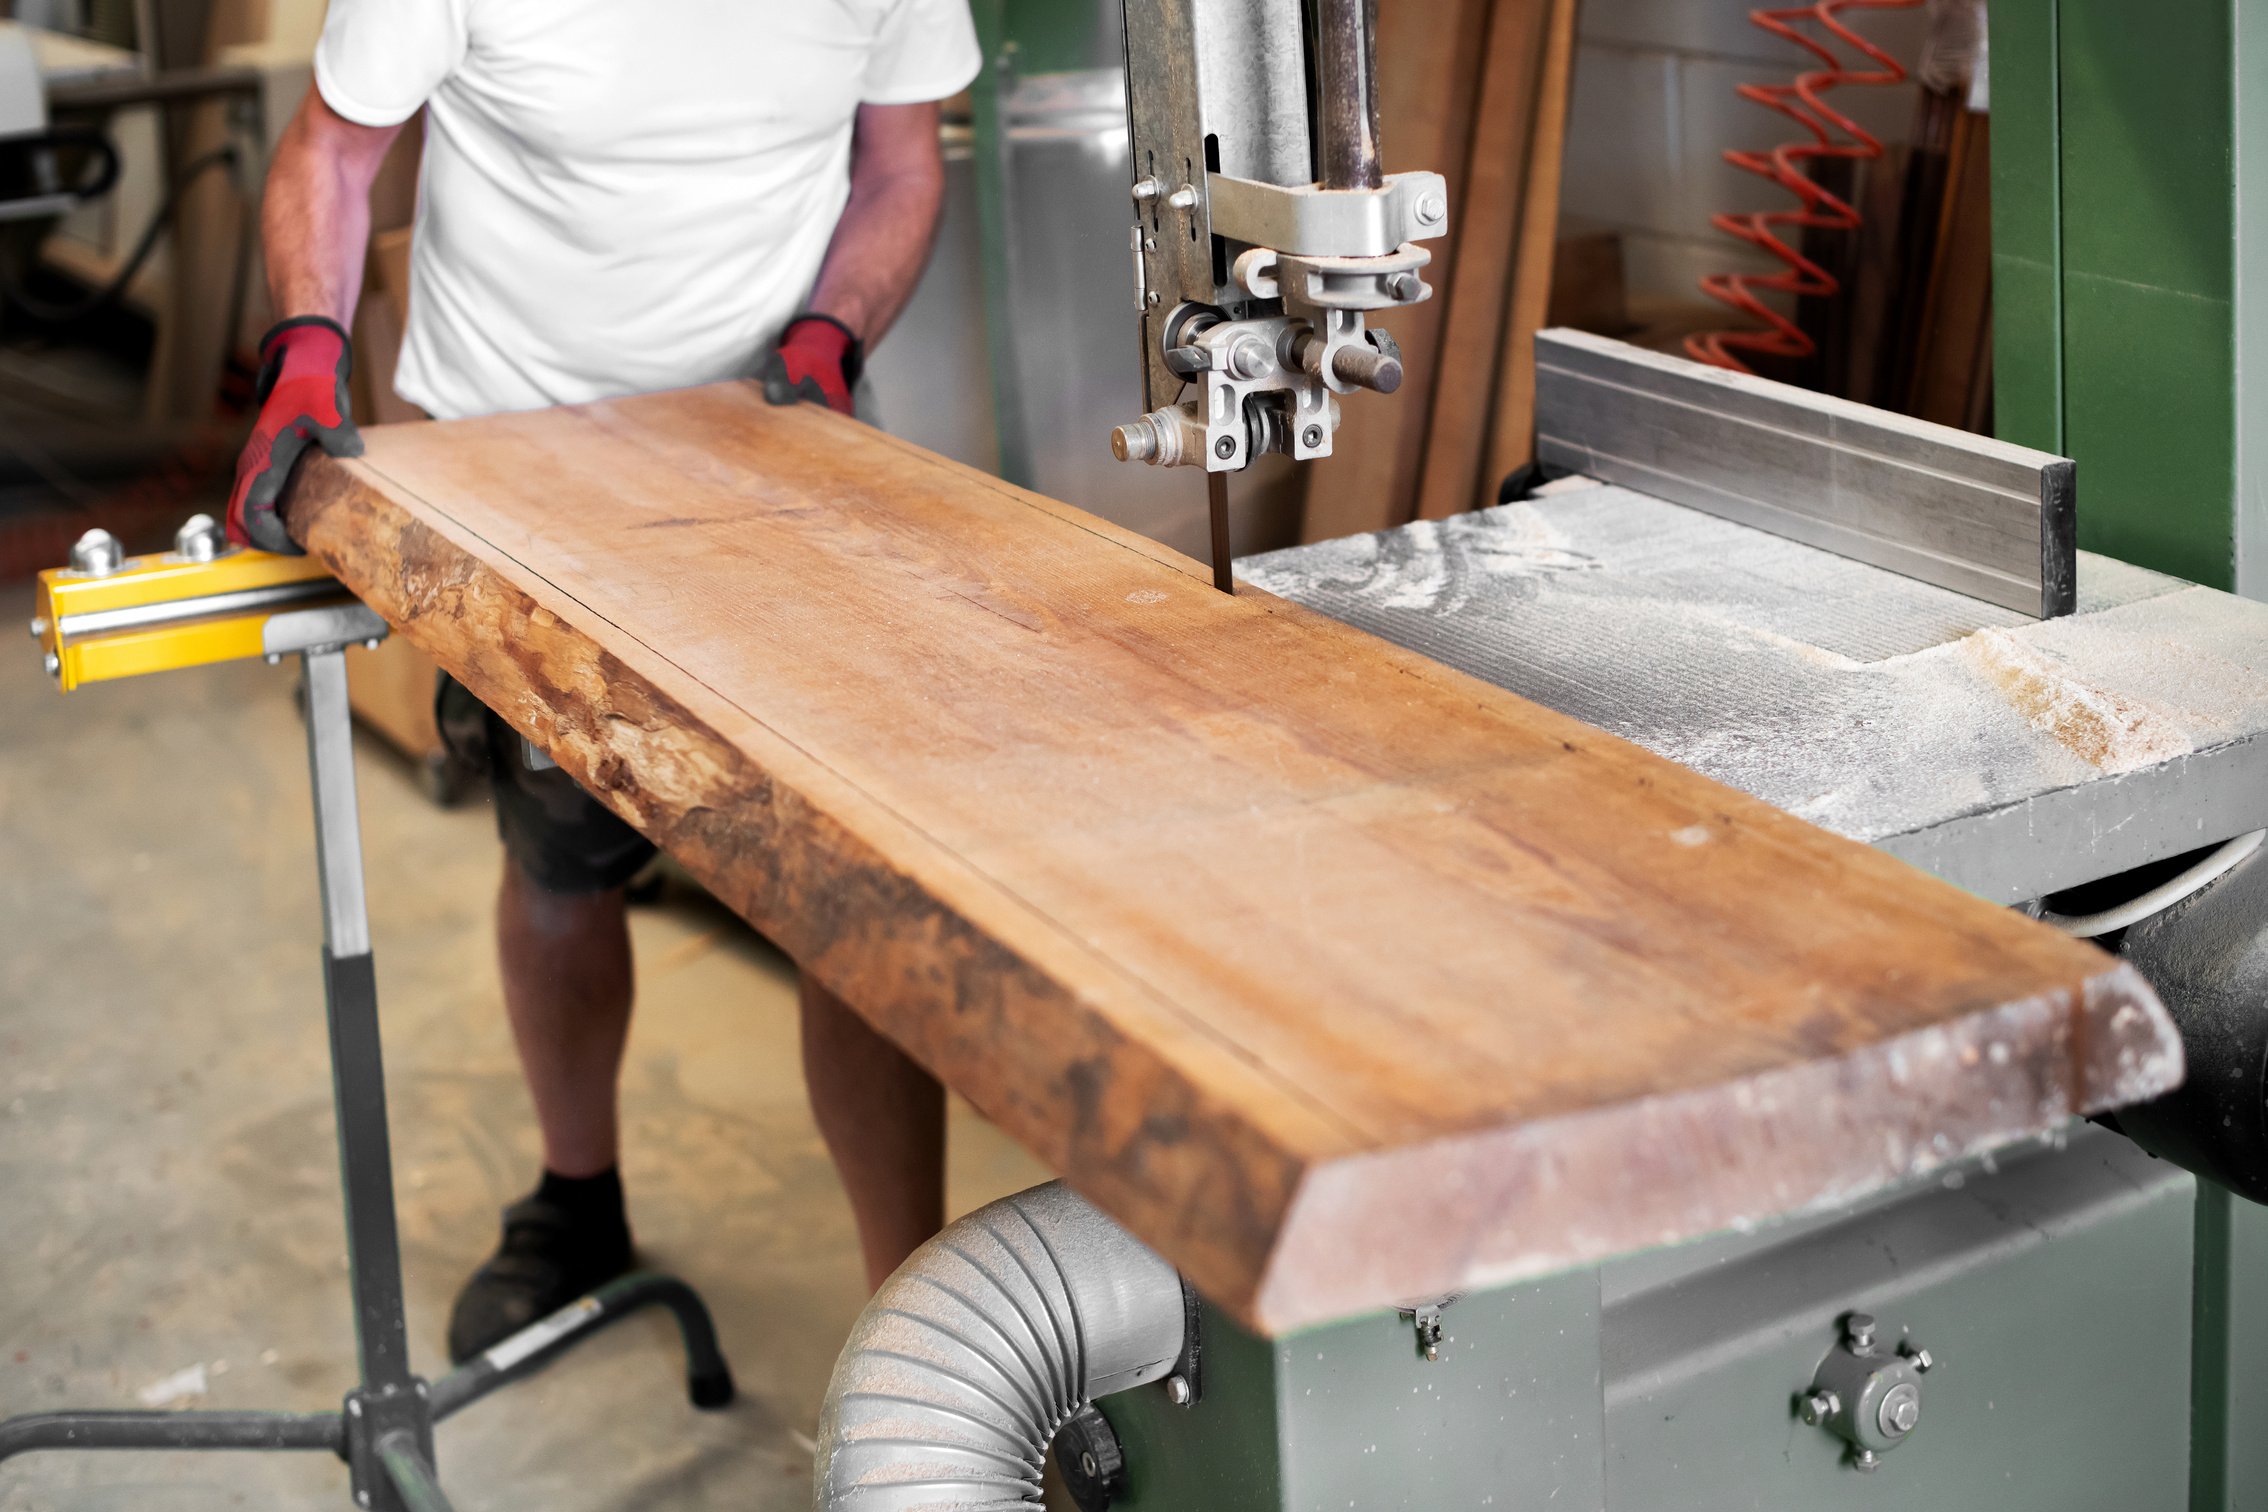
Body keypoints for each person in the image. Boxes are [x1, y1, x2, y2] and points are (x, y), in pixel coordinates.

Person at [225, 0, 979, 1362]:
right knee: (562, 869)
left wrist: (830, 333)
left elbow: (902, 160)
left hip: (769, 445)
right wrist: (307, 355)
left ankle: (925, 1335)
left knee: (853, 909)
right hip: (508, 455)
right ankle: (578, 1196)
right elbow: (332, 155)